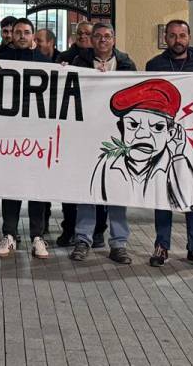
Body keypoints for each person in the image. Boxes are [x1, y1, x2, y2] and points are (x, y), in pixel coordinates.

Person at [145, 19, 193, 269]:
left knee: (192, 191)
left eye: (182, 35)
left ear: (189, 37)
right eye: (172, 36)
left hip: (192, 139)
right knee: (163, 194)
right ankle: (162, 246)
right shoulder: (154, 65)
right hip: (161, 140)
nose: (177, 40)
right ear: (165, 38)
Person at [68, 22, 134, 266]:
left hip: (118, 137)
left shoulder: (127, 65)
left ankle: (118, 243)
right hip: (87, 135)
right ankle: (83, 239)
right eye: (98, 36)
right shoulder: (78, 63)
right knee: (88, 188)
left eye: (107, 36)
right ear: (91, 40)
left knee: (116, 188)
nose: (103, 40)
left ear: (114, 39)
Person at [0, 17, 54, 259]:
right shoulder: (0, 61)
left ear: (33, 37)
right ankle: (9, 234)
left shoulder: (46, 63)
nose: (21, 35)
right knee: (11, 185)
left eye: (26, 32)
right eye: (18, 32)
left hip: (36, 134)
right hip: (10, 133)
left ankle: (37, 236)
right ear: (12, 35)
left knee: (36, 186)